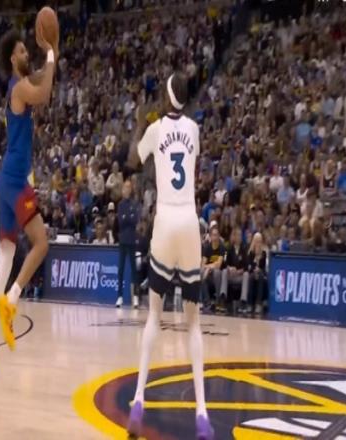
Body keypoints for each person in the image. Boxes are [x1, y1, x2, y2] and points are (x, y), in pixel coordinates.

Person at [126, 73, 214, 439]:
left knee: (154, 316)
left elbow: (132, 161)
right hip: (189, 223)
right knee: (193, 323)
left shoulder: (154, 129)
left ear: (165, 98)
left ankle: (138, 400)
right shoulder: (193, 129)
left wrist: (139, 125)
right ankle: (202, 414)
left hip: (164, 222)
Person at [0, 27, 58, 382]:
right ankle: (11, 301)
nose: (28, 55)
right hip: (13, 180)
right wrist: (50, 55)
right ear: (13, 58)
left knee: (7, 256)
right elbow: (44, 92)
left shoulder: (20, 82)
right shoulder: (20, 88)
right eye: (23, 51)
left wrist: (52, 52)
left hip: (7, 180)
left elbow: (42, 76)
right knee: (41, 244)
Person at [116, 180, 139, 308]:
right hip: (123, 240)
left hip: (132, 239)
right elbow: (121, 221)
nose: (127, 189)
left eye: (129, 187)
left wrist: (127, 218)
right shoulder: (120, 205)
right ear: (123, 189)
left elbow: (134, 220)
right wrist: (127, 217)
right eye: (125, 187)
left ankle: (135, 296)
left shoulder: (134, 204)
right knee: (121, 269)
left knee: (134, 269)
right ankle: (119, 296)